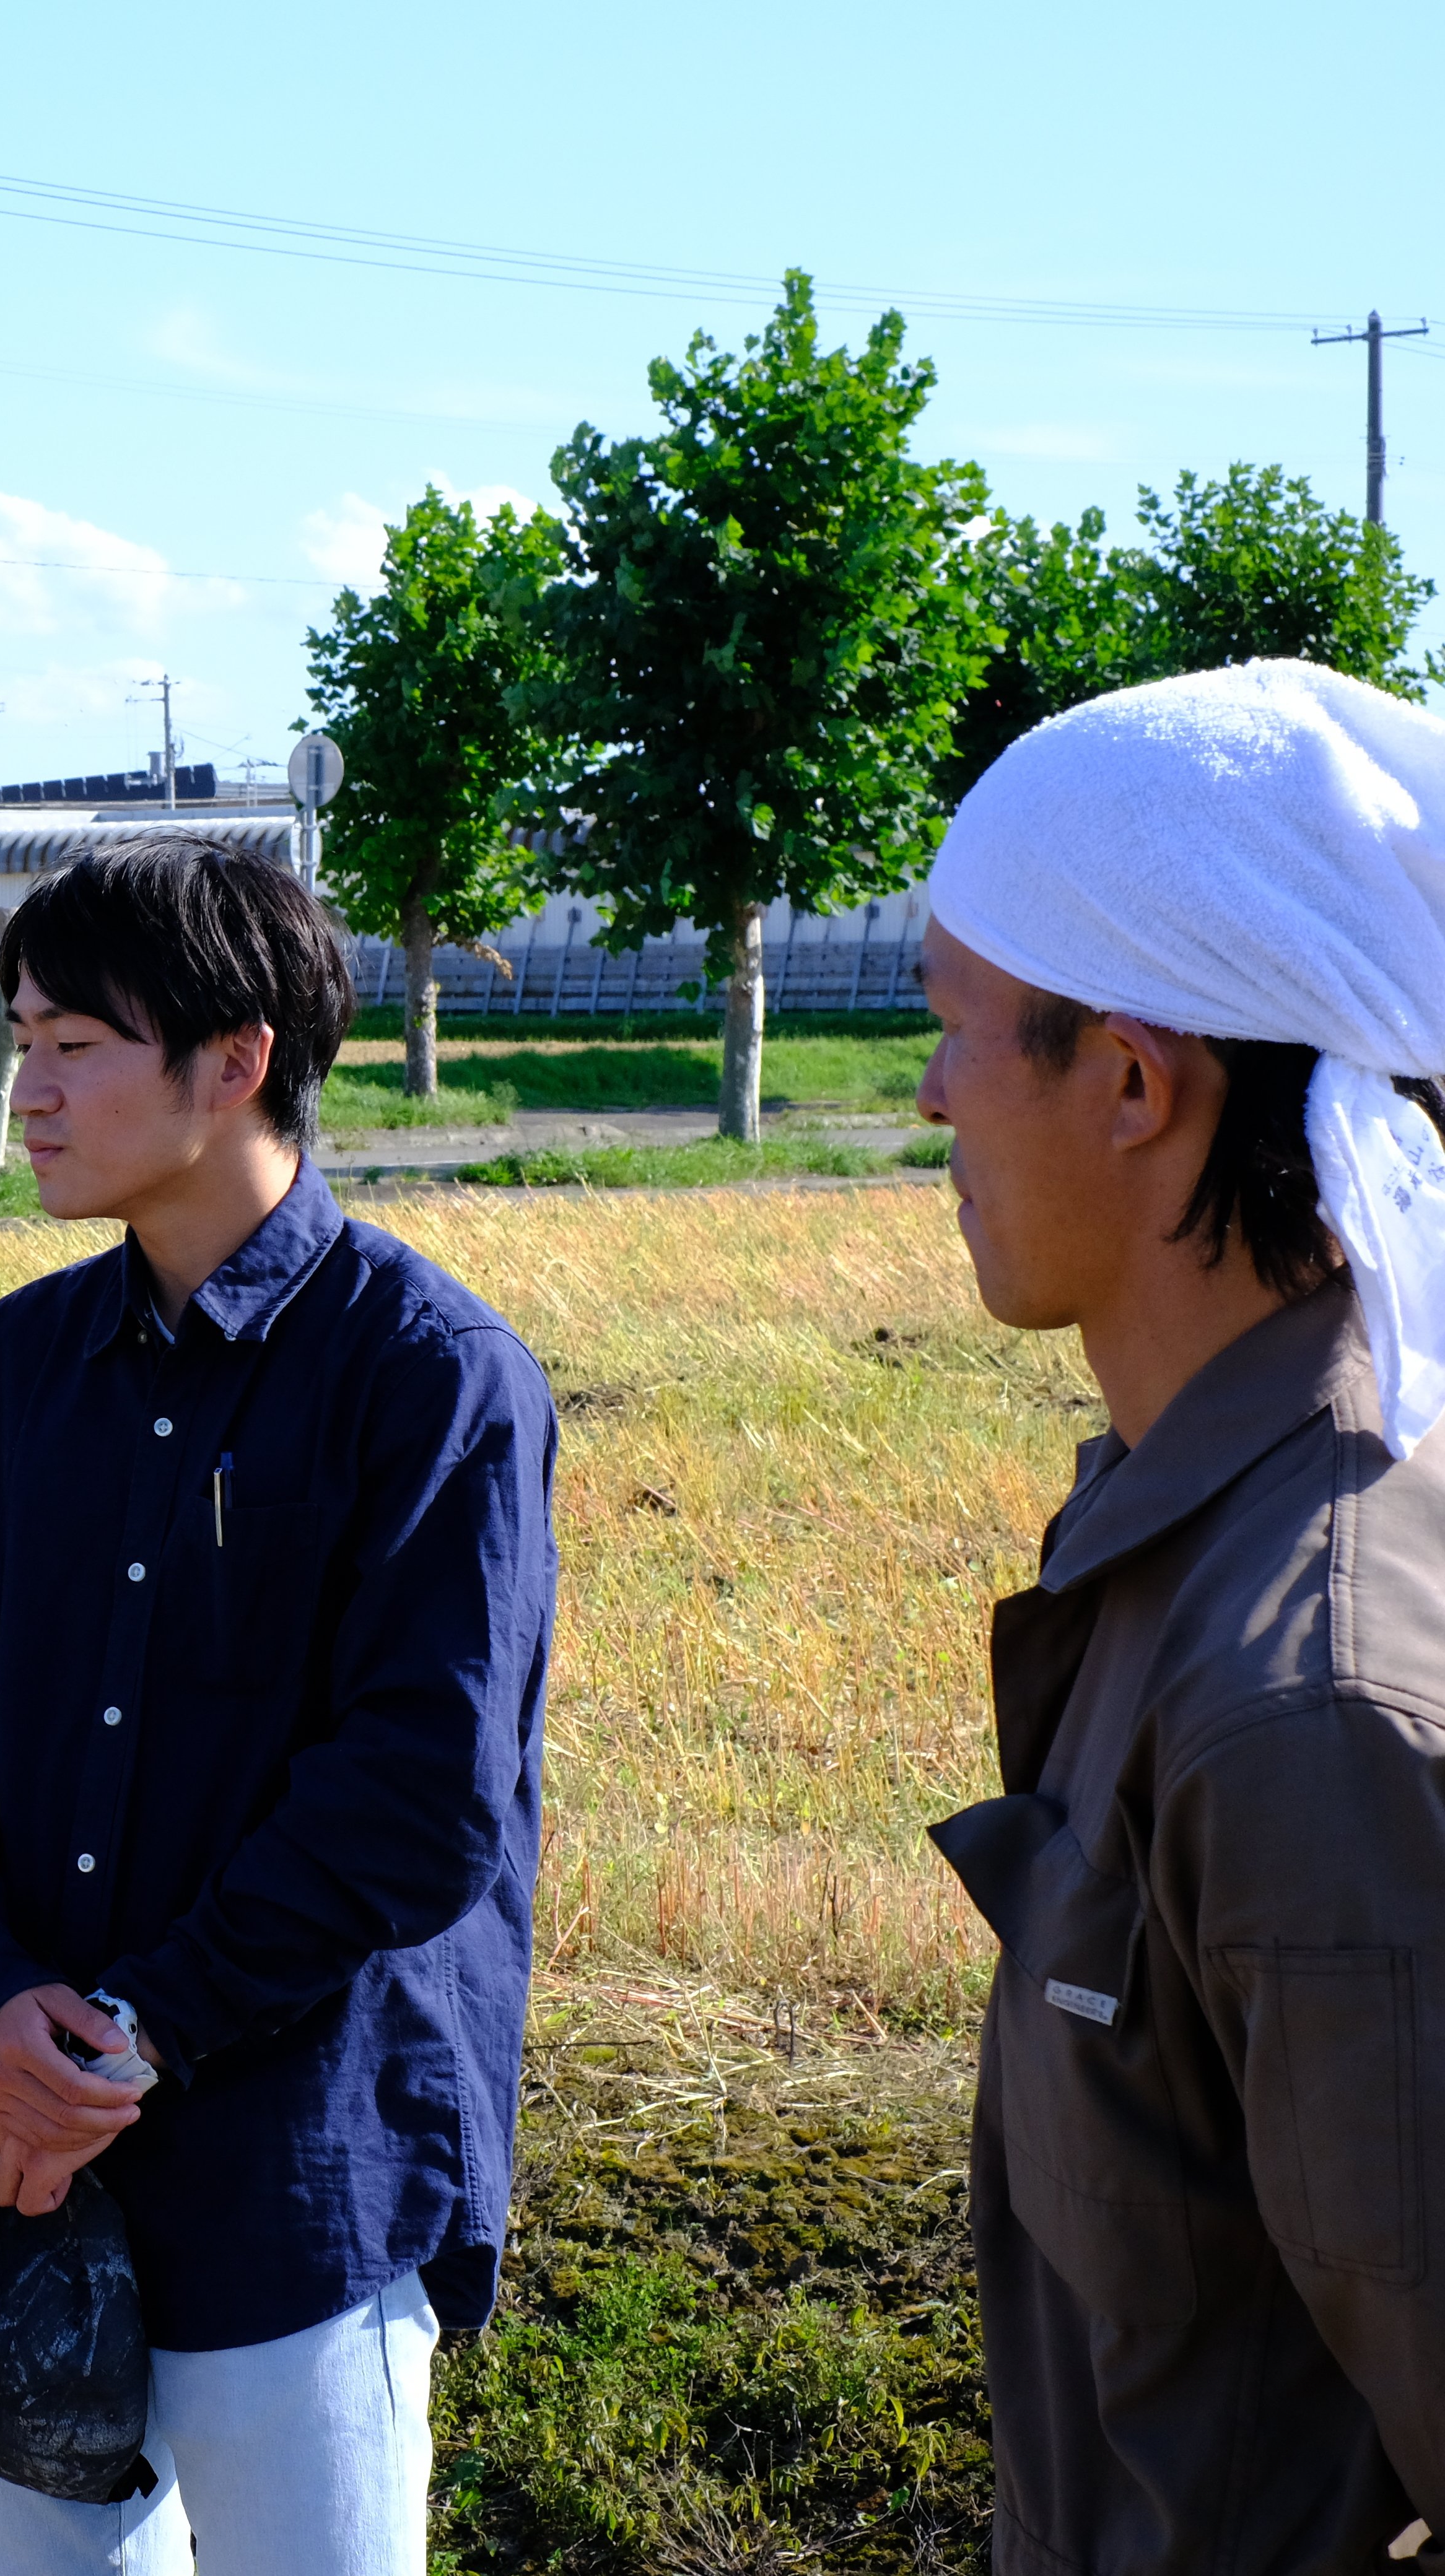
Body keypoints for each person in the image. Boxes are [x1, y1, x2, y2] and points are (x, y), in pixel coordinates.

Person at [0, 843, 556, 2575]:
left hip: (291, 2177)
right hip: (13, 2165)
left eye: (76, 1044)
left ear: (236, 1061)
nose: (29, 1088)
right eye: (22, 1038)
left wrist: (135, 2030)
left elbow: (423, 1796)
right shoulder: (17, 1368)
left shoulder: (427, 1375)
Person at [914, 659, 1445, 2567]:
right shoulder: (1179, 1541)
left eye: (956, 1028)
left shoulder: (1306, 1703)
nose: (927, 1094)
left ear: (1136, 1083)